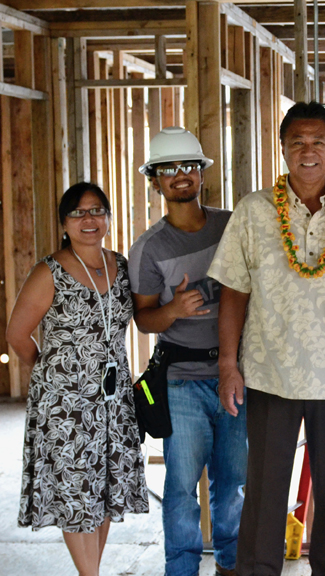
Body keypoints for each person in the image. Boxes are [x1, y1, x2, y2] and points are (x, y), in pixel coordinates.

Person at [208, 101, 325, 576]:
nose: (308, 152)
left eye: (319, 142)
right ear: (284, 148)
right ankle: (257, 571)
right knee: (266, 488)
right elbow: (233, 291)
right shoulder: (253, 211)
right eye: (298, 142)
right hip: (269, 373)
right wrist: (229, 365)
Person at [9, 182, 149, 576]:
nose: (88, 219)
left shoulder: (120, 266)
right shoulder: (48, 271)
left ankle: (93, 571)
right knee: (75, 492)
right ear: (64, 223)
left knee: (102, 491)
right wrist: (54, 376)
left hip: (113, 400)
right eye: (77, 212)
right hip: (65, 405)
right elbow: (17, 335)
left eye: (96, 210)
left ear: (107, 217)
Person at [128, 127, 247, 576]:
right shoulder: (149, 249)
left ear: (201, 173)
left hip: (235, 374)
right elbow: (143, 319)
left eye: (188, 166)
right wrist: (174, 308)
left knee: (233, 482)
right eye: (168, 169)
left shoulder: (230, 225)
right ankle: (181, 569)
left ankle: (232, 565)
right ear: (155, 180)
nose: (180, 175)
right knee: (181, 486)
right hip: (181, 382)